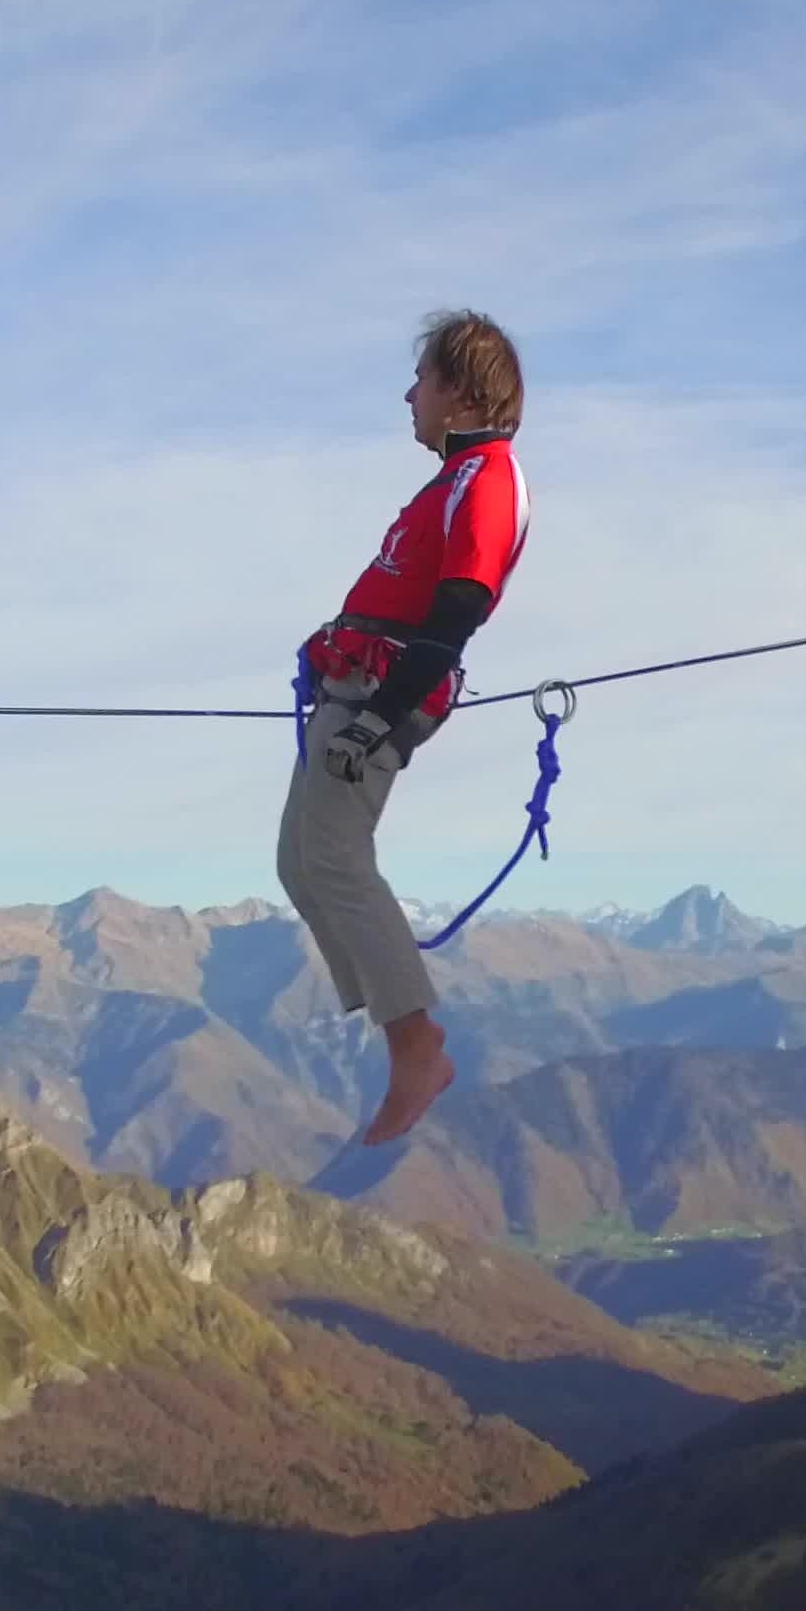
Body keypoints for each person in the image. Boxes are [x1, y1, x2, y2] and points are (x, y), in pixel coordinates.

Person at [280, 309, 531, 1146]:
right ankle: (401, 1032)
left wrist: (379, 725)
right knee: (301, 862)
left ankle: (415, 1046)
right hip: (356, 692)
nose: (409, 397)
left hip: (377, 697)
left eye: (421, 380)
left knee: (337, 861)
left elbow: (458, 610)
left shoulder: (485, 480)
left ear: (458, 393)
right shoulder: (455, 481)